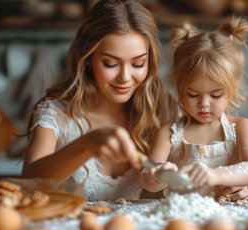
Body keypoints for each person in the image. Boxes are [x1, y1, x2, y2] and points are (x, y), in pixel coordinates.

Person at [21, 0, 175, 200]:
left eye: (138, 64)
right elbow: (29, 187)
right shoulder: (55, 114)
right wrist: (86, 145)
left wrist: (228, 185)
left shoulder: (163, 111)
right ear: (88, 60)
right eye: (110, 63)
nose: (125, 77)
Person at [140, 17, 248, 199]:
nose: (204, 103)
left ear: (233, 89)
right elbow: (146, 181)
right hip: (182, 223)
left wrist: (215, 175)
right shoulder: (168, 135)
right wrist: (158, 175)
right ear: (179, 89)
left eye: (215, 95)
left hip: (228, 220)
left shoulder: (241, 128)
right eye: (193, 94)